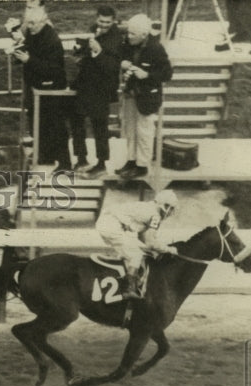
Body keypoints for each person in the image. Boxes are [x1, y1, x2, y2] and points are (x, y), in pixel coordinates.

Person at [13, 6, 71, 172]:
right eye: (27, 22)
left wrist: (28, 60)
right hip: (36, 86)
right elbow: (27, 50)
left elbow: (53, 69)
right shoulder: (33, 34)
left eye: (32, 23)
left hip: (51, 89)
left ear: (43, 22)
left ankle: (65, 163)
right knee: (37, 122)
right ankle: (45, 155)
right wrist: (17, 50)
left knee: (55, 125)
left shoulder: (52, 40)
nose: (29, 26)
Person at [115, 13, 173, 179]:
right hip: (131, 94)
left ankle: (142, 165)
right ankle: (131, 160)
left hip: (147, 97)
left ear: (144, 35)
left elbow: (167, 73)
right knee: (130, 129)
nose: (128, 36)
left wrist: (147, 75)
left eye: (133, 34)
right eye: (128, 32)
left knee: (144, 130)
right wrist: (122, 62)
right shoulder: (128, 43)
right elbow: (119, 54)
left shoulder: (156, 49)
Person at [69, 5, 123, 176]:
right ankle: (81, 159)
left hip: (101, 88)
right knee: (76, 121)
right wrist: (79, 49)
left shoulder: (117, 39)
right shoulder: (93, 30)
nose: (104, 25)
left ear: (114, 21)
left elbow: (112, 67)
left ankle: (101, 163)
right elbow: (83, 51)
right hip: (85, 84)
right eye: (101, 21)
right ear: (96, 19)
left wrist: (98, 52)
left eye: (107, 22)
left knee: (99, 126)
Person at [95, 190, 179, 299]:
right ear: (164, 205)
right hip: (111, 225)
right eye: (171, 208)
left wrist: (155, 249)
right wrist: (168, 249)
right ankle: (128, 289)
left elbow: (143, 239)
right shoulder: (155, 215)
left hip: (108, 222)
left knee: (136, 250)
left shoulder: (150, 208)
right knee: (136, 255)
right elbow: (150, 243)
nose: (171, 212)